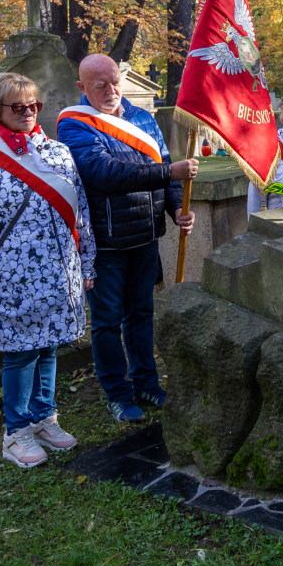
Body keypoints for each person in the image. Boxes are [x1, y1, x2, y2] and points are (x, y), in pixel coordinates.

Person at [0, 73, 96, 469]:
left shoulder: (59, 153)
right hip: (9, 279)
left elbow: (81, 215)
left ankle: (44, 417)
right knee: (20, 352)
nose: (28, 113)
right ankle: (16, 431)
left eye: (34, 106)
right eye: (18, 107)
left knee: (48, 345)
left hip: (57, 270)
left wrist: (87, 265)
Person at [57, 54, 198, 423]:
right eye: (100, 84)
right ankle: (118, 394)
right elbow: (103, 173)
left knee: (142, 313)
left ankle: (146, 382)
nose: (110, 90)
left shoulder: (143, 119)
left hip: (145, 235)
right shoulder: (75, 125)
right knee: (106, 321)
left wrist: (175, 209)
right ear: (82, 87)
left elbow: (166, 175)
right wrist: (168, 170)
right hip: (105, 242)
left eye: (115, 80)